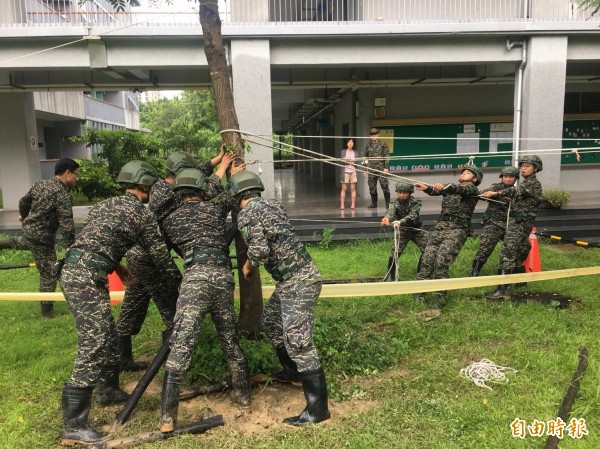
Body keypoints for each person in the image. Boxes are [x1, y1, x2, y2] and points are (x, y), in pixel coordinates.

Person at [58, 160, 180, 446]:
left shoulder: (103, 205)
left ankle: (108, 389)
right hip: (85, 277)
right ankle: (74, 423)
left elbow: (98, 240)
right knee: (95, 343)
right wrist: (180, 285)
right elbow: (161, 259)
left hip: (78, 270)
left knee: (110, 336)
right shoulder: (142, 215)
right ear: (146, 186)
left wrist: (118, 267)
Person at [228, 171, 330, 427]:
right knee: (271, 322)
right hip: (293, 279)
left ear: (237, 194)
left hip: (298, 281)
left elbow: (260, 251)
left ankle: (318, 409)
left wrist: (248, 266)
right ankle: (293, 372)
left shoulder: (247, 213)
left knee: (299, 341)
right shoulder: (273, 205)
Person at [158, 154, 252, 432]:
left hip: (195, 278)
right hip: (223, 276)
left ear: (179, 193)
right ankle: (243, 396)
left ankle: (167, 417)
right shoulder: (215, 209)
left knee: (182, 344)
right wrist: (233, 171)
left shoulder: (169, 221)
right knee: (230, 338)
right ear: (201, 190)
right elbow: (231, 193)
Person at [116, 149, 227, 372]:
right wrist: (223, 168)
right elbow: (204, 188)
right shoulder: (171, 193)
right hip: (151, 258)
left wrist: (216, 159)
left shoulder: (160, 187)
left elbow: (196, 175)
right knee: (172, 303)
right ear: (180, 175)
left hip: (138, 256)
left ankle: (122, 358)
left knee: (134, 302)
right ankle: (171, 363)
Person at [0, 158, 79, 318]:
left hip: (30, 230)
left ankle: (1, 243)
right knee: (49, 273)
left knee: (24, 243)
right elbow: (66, 224)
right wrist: (70, 244)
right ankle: (47, 313)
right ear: (67, 173)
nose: (77, 178)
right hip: (42, 239)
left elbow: (23, 201)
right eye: (76, 174)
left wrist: (24, 215)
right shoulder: (62, 195)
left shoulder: (40, 184)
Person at [414, 166, 482, 308]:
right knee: (427, 258)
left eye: (468, 172)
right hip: (440, 227)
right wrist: (427, 188)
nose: (464, 173)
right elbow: (436, 191)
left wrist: (444, 186)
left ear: (475, 179)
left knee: (442, 260)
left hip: (457, 230)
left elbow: (457, 189)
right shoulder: (451, 188)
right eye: (463, 171)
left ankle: (440, 296)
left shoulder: (472, 190)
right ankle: (420, 291)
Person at [482, 155, 543, 299]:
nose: (523, 168)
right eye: (522, 165)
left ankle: (503, 289)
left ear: (535, 168)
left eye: (527, 166)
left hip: (520, 224)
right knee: (520, 249)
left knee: (508, 251)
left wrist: (496, 193)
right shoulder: (526, 183)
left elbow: (515, 191)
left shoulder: (533, 184)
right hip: (519, 222)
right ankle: (519, 280)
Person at [469, 166, 519, 277]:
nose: (508, 179)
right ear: (502, 177)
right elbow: (480, 194)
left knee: (519, 248)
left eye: (511, 177)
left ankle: (515, 275)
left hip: (510, 225)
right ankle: (474, 273)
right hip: (493, 223)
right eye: (506, 176)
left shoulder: (518, 190)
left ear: (516, 178)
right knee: (485, 247)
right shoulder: (495, 188)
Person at [380, 181, 428, 281]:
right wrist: (386, 219)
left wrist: (400, 221)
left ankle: (421, 274)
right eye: (400, 192)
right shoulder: (393, 204)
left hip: (417, 230)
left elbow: (413, 215)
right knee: (395, 251)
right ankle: (390, 275)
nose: (402, 195)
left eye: (405, 192)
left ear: (410, 193)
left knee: (427, 250)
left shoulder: (417, 202)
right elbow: (390, 213)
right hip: (403, 231)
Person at [362, 127, 390, 209]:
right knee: (372, 186)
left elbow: (387, 156)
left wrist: (386, 167)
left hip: (381, 169)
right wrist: (364, 169)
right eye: (372, 135)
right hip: (371, 169)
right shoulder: (368, 145)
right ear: (370, 136)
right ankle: (374, 203)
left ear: (378, 135)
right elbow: (365, 157)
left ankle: (388, 204)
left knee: (384, 186)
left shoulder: (383, 144)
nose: (374, 136)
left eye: (375, 134)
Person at [340, 138, 358, 210]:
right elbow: (344, 160)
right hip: (345, 172)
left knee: (353, 188)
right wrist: (351, 161)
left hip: (353, 171)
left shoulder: (355, 152)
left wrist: (349, 161)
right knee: (344, 188)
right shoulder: (343, 151)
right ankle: (342, 205)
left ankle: (353, 204)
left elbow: (355, 161)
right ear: (347, 143)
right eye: (349, 142)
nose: (351, 144)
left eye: (352, 142)